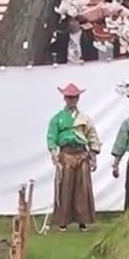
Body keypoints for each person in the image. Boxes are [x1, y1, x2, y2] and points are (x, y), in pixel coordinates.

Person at [45, 83, 101, 231]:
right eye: (69, 97)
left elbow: (92, 136)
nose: (72, 100)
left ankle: (83, 221)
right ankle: (63, 220)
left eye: (74, 97)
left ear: (78, 98)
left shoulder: (85, 118)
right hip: (66, 154)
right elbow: (51, 137)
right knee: (65, 186)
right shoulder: (57, 119)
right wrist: (53, 153)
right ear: (65, 98)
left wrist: (93, 154)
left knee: (82, 187)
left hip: (81, 154)